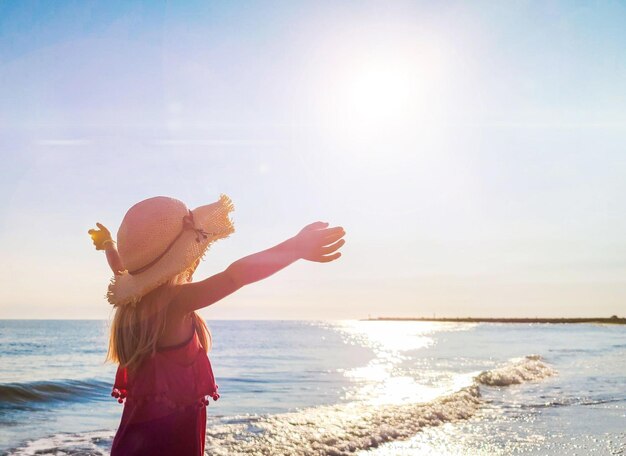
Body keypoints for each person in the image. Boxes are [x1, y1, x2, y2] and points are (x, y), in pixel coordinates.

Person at [88, 193, 346, 456]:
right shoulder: (177, 302)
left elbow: (119, 270)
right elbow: (236, 276)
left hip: (131, 446)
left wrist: (109, 245)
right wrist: (295, 247)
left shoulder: (134, 302)